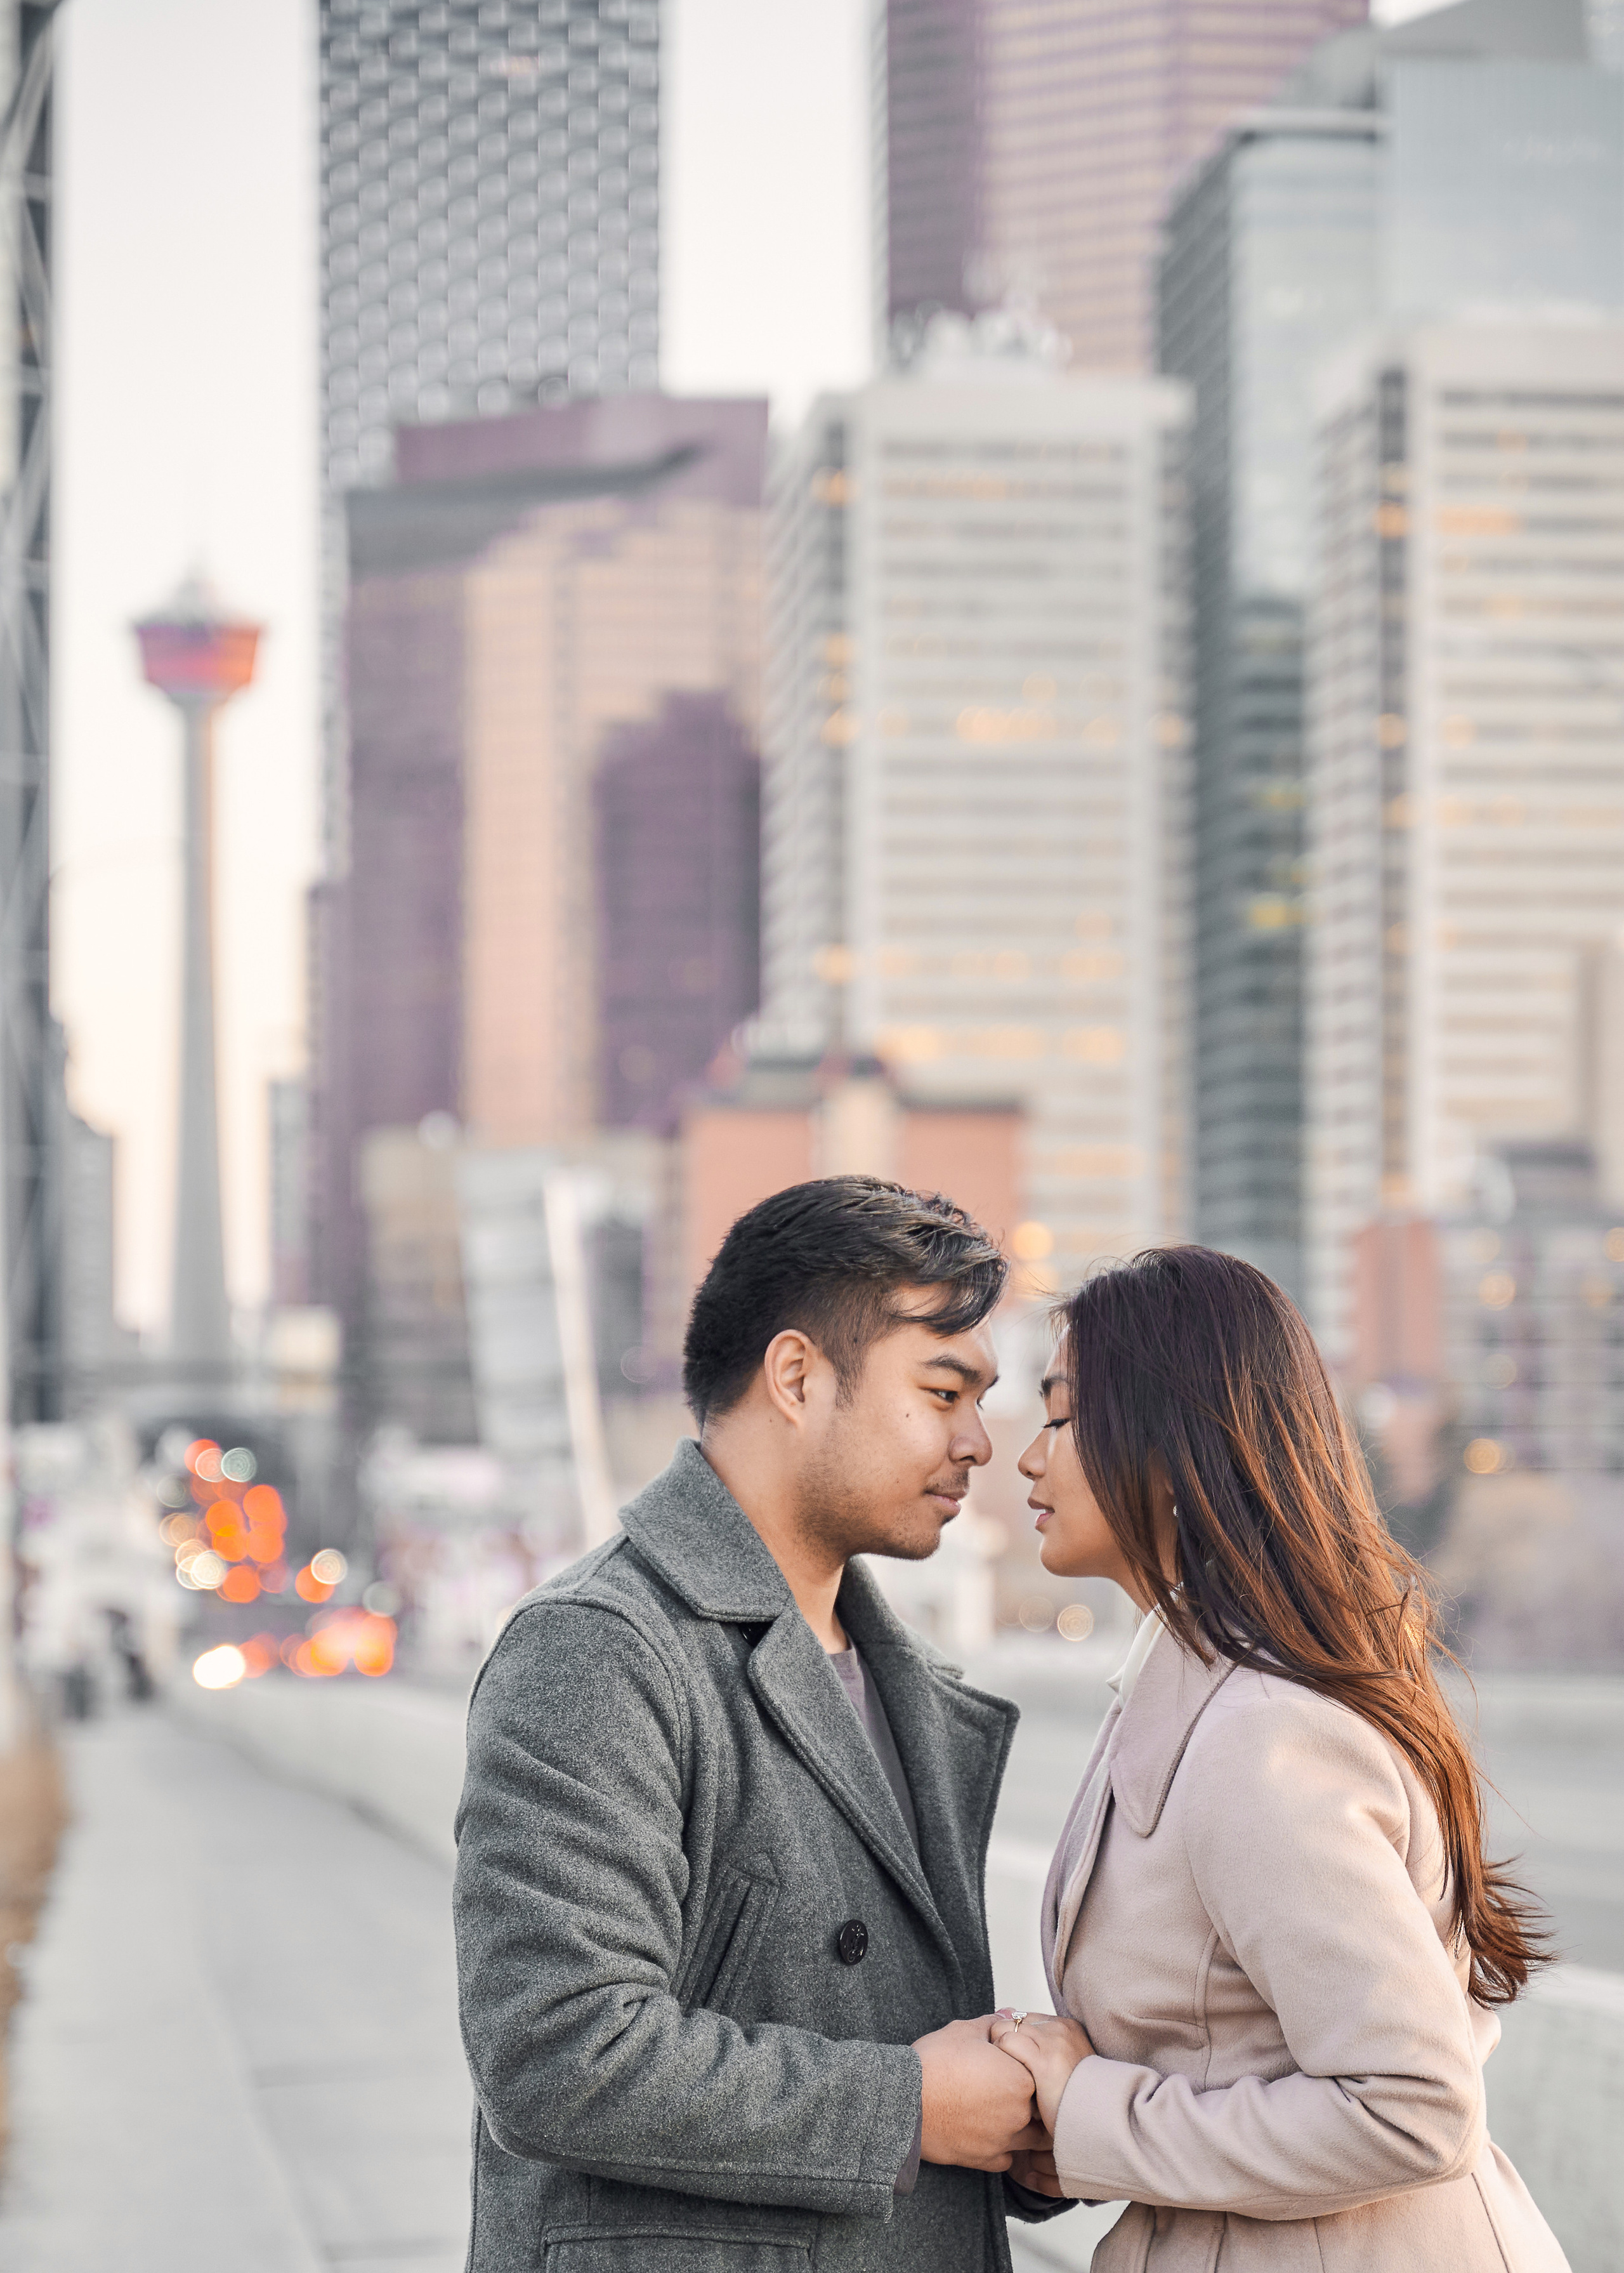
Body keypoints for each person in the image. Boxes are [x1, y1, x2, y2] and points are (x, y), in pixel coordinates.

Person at [453, 1176, 1065, 2272]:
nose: (979, 1441)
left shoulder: (912, 1685)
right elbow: (555, 2049)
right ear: (796, 1376)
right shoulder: (599, 1647)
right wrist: (913, 2106)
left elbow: (879, 2027)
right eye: (942, 1390)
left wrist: (1018, 2129)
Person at [993, 1245, 1569, 2271]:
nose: (1030, 1458)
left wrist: (1093, 2112)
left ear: (1173, 1443)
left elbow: (1416, 2105)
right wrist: (1070, 2125)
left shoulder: (1260, 1733)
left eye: (1064, 1417)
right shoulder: (1192, 1692)